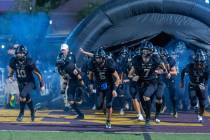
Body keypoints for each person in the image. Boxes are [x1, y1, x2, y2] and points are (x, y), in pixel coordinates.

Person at [8, 45, 45, 122]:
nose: (19, 54)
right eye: (18, 53)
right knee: (27, 99)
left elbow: (38, 74)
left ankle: (21, 114)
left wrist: (42, 85)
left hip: (29, 82)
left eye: (21, 53)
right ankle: (32, 111)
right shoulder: (13, 60)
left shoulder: (29, 61)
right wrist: (10, 75)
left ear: (25, 53)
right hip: (20, 82)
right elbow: (11, 68)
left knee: (22, 96)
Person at [88, 48, 120, 128]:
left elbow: (118, 78)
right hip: (99, 85)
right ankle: (105, 110)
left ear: (103, 58)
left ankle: (108, 121)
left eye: (99, 58)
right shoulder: (93, 63)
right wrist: (91, 83)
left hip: (109, 86)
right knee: (99, 106)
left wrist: (115, 90)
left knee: (109, 104)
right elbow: (91, 74)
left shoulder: (109, 64)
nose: (97, 59)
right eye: (96, 57)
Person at [56, 43, 85, 119]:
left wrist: (82, 83)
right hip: (71, 80)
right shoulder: (61, 69)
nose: (58, 66)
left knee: (80, 90)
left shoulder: (69, 65)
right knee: (70, 100)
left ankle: (81, 95)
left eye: (59, 64)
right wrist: (63, 88)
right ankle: (80, 114)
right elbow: (66, 78)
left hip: (77, 79)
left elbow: (76, 73)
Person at [180, 49, 209, 123]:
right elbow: (183, 72)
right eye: (197, 62)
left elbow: (207, 77)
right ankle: (195, 106)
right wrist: (182, 81)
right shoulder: (190, 66)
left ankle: (200, 116)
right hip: (193, 85)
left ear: (204, 62)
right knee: (193, 101)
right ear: (194, 61)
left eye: (201, 62)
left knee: (203, 103)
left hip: (202, 85)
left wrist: (204, 84)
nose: (199, 64)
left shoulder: (206, 67)